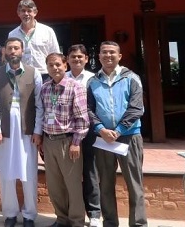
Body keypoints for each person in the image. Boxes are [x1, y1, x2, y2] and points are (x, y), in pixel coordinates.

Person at [86, 41, 147, 227]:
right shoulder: (93, 81)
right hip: (104, 139)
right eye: (104, 52)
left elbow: (137, 108)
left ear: (119, 56)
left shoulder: (131, 78)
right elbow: (88, 109)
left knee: (134, 184)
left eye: (112, 52)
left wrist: (119, 130)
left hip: (129, 136)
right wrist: (100, 130)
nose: (108, 55)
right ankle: (110, 222)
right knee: (105, 184)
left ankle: (138, 223)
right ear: (99, 56)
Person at [0, 38, 43, 227]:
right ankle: (10, 214)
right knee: (6, 173)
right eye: (9, 48)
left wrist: (37, 130)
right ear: (4, 51)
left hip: (27, 130)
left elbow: (39, 104)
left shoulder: (34, 73)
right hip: (5, 130)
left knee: (29, 173)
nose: (13, 51)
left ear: (22, 50)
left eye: (16, 48)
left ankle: (29, 215)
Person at [36, 53, 89, 227]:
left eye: (58, 64)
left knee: (72, 185)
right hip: (49, 141)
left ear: (65, 66)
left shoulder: (76, 87)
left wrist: (76, 143)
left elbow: (82, 118)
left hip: (68, 142)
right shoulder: (44, 88)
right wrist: (42, 140)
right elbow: (43, 114)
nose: (55, 68)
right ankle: (61, 219)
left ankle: (76, 221)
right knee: (54, 185)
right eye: (51, 65)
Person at [66, 44, 100, 227]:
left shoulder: (93, 79)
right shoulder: (62, 78)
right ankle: (72, 212)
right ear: (68, 59)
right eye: (73, 57)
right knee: (71, 175)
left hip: (89, 133)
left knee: (90, 172)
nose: (77, 59)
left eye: (80, 57)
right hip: (68, 133)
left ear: (86, 59)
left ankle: (94, 213)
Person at [8, 0, 60, 81]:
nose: (26, 14)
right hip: (21, 77)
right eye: (23, 11)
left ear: (35, 12)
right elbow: (10, 57)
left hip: (44, 76)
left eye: (29, 11)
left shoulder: (47, 31)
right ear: (18, 13)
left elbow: (56, 55)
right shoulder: (12, 34)